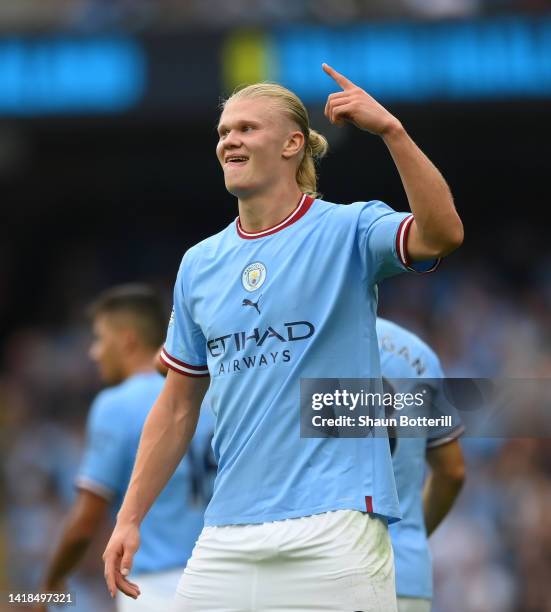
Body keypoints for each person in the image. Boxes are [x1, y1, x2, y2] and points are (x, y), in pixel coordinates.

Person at [103, 63, 464, 611]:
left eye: (246, 128)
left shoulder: (349, 229)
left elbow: (442, 234)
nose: (230, 141)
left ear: (294, 144)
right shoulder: (199, 264)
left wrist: (393, 131)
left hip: (335, 525)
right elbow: (177, 405)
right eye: (224, 132)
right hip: (227, 531)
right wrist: (129, 518)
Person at [39, 285, 214, 611]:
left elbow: (86, 520)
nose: (94, 352)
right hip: (219, 578)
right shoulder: (207, 396)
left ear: (127, 340)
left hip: (153, 588)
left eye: (100, 338)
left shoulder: (116, 405)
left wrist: (51, 581)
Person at [376, 318, 465, 612]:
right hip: (406, 573)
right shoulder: (418, 353)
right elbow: (452, 472)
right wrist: (409, 535)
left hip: (327, 566)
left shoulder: (306, 344)